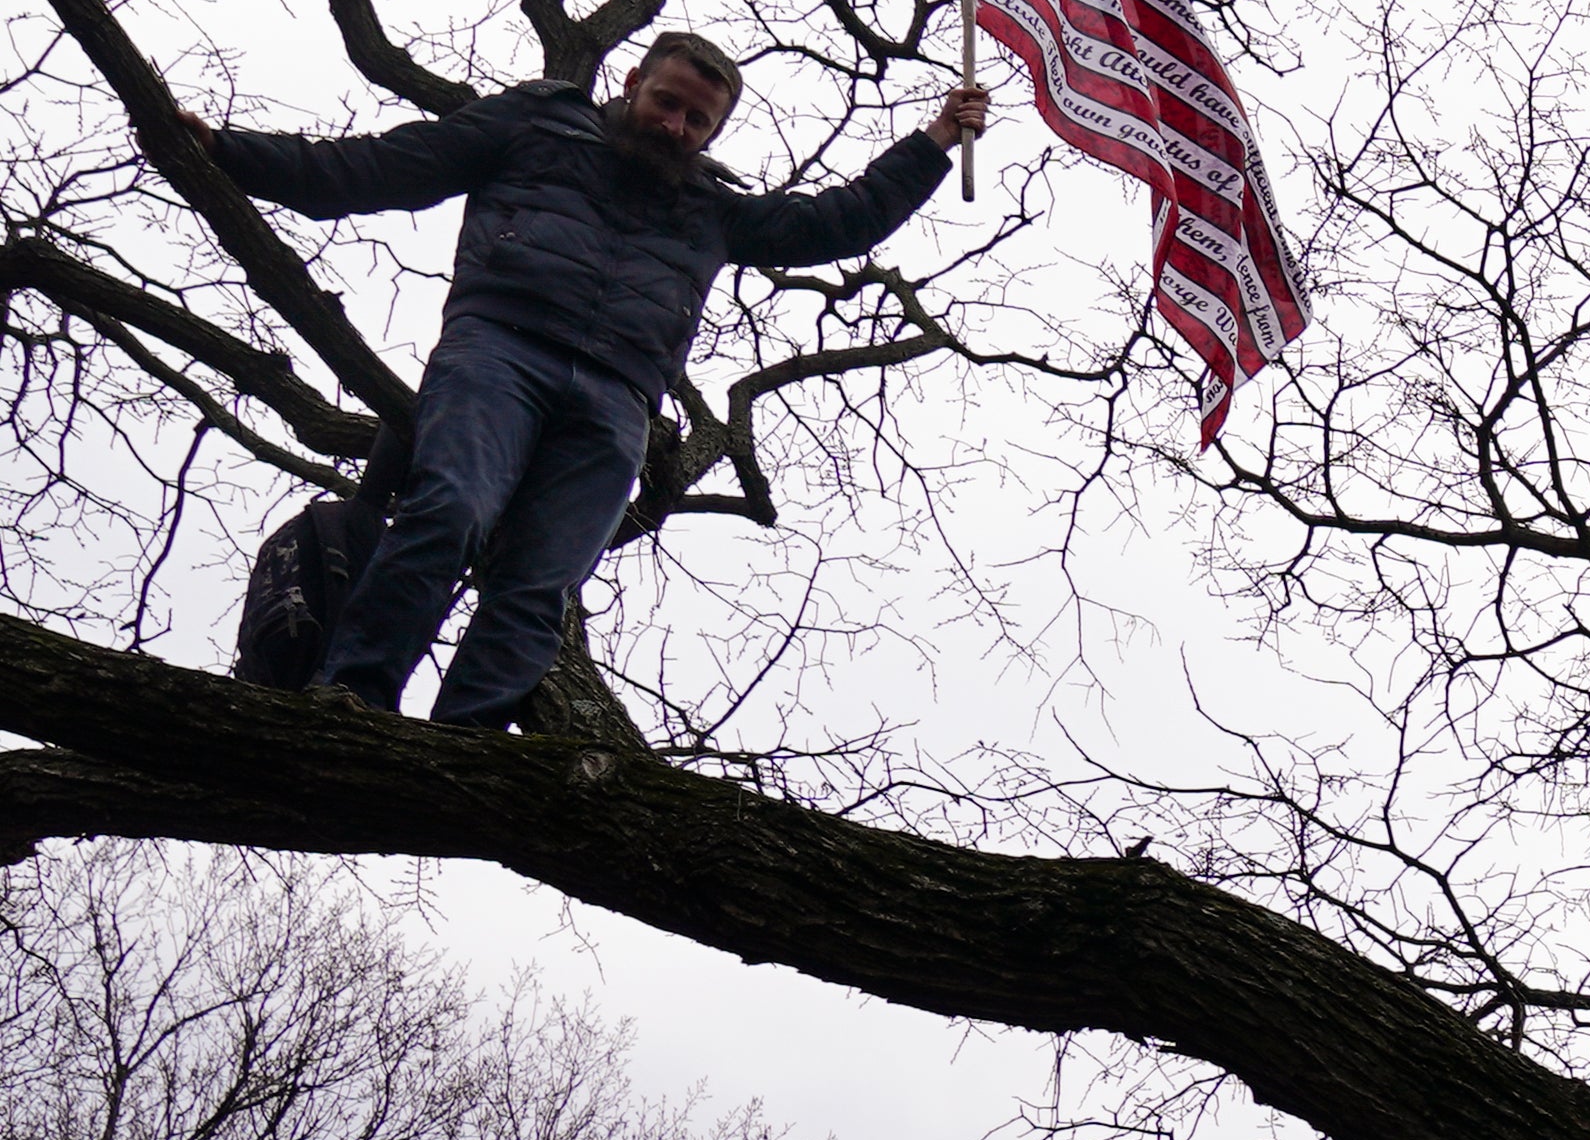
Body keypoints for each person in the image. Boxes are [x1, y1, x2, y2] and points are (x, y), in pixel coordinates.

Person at [163, 37, 987, 723]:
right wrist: (228, 154)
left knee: (537, 588)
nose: (676, 126)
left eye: (699, 120)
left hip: (619, 398)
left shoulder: (712, 207)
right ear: (631, 83)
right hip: (499, 351)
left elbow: (836, 221)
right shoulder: (535, 127)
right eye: (667, 102)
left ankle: (464, 749)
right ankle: (351, 694)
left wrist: (934, 142)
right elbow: (380, 167)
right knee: (448, 510)